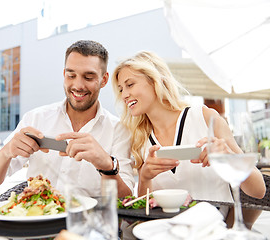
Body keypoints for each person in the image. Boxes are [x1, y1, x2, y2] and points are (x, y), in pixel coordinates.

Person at [111, 51, 266, 212]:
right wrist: (144, 178)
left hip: (214, 229)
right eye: (121, 89)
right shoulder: (138, 138)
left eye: (130, 85)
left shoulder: (205, 117)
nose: (124, 95)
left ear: (155, 80)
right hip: (166, 231)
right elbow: (145, 209)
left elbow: (258, 190)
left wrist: (230, 158)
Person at [0, 40, 134, 198]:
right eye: (71, 75)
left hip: (87, 221)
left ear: (104, 80)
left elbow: (126, 199)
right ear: (64, 75)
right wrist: (7, 151)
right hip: (37, 217)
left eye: (88, 77)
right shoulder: (36, 118)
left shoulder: (118, 130)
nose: (78, 85)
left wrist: (107, 166)